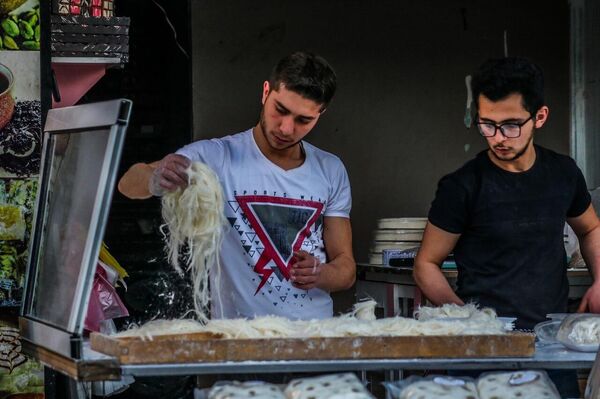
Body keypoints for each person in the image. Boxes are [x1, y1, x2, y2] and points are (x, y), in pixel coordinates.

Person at [118, 51, 356, 320]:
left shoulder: (330, 169)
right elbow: (128, 183)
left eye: (303, 120)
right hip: (240, 336)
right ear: (266, 92)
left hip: (315, 335)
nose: (287, 128)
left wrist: (322, 273)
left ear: (320, 114)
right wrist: (155, 178)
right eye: (281, 110)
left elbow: (346, 269)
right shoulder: (217, 156)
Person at [413, 56, 600, 397]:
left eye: (511, 125)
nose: (498, 138)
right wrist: (467, 319)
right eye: (487, 125)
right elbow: (426, 265)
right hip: (484, 351)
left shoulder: (563, 173)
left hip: (549, 344)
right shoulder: (462, 186)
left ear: (539, 117)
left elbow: (590, 229)